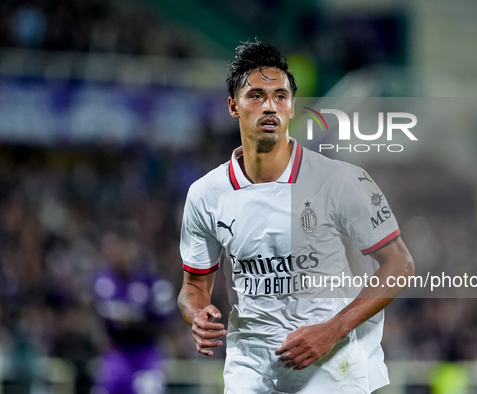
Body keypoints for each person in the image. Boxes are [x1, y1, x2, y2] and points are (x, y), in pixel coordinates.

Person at [178, 40, 414, 393]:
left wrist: (332, 330)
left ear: (291, 107)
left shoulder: (342, 181)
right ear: (233, 107)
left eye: (280, 96)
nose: (270, 106)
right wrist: (197, 314)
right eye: (256, 95)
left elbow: (400, 265)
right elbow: (194, 287)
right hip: (250, 366)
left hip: (331, 365)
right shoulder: (206, 194)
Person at [93, 224, 176, 394]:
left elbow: (165, 325)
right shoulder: (103, 281)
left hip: (146, 355)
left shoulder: (152, 282)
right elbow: (95, 315)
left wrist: (133, 323)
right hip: (117, 354)